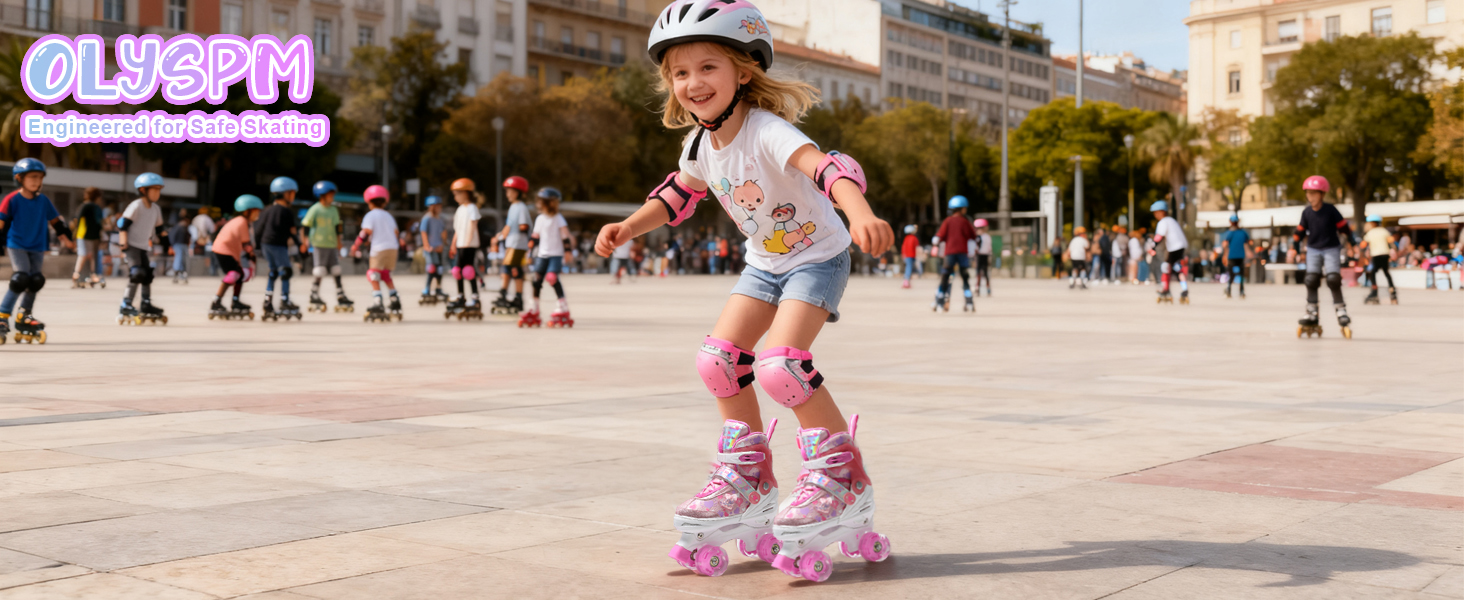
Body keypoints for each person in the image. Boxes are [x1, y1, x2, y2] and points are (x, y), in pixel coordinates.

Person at [596, 3, 895, 580]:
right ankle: (747, 477)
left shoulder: (767, 130)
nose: (692, 83)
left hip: (817, 257)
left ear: (744, 72)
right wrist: (629, 227)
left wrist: (860, 211)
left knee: (783, 366)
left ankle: (841, 478)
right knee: (719, 361)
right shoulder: (700, 146)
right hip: (764, 265)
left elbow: (828, 168)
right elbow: (677, 195)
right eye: (679, 73)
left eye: (708, 67)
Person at [0, 158, 75, 343]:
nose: (36, 181)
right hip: (17, 244)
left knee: (35, 280)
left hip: (38, 245)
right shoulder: (12, 199)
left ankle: (24, 315)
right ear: (20, 178)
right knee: (21, 279)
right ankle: (2, 316)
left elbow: (56, 222)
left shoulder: (43, 200)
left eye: (39, 177)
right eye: (32, 177)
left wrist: (66, 238)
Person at [1287, 175, 1353, 337]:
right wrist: (1294, 248)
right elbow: (1299, 232)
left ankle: (1341, 310)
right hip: (1313, 249)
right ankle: (1312, 313)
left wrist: (1353, 244)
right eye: (1308, 193)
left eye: (1314, 193)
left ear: (1322, 194)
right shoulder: (1307, 212)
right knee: (1311, 279)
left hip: (1331, 248)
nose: (1310, 197)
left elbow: (1345, 229)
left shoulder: (1331, 210)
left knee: (1333, 279)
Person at [117, 172, 172, 324]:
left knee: (147, 274)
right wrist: (123, 243)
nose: (157, 193)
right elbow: (123, 225)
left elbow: (161, 230)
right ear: (143, 190)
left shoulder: (156, 209)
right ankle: (126, 304)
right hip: (131, 245)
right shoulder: (136, 206)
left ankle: (145, 303)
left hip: (143, 246)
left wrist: (168, 245)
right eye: (154, 189)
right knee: (137, 273)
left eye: (159, 190)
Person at [521, 187, 575, 327]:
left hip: (556, 255)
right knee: (536, 279)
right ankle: (535, 307)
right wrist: (529, 251)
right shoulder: (539, 218)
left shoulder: (558, 218)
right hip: (542, 254)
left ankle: (563, 307)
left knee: (552, 277)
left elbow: (565, 236)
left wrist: (568, 252)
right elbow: (535, 237)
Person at [253, 177, 305, 321]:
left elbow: (258, 229)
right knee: (286, 271)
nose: (293, 196)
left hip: (265, 244)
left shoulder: (266, 210)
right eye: (292, 193)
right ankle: (285, 300)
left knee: (273, 272)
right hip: (278, 245)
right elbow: (292, 232)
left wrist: (256, 247)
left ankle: (268, 301)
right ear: (285, 194)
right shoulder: (286, 212)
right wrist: (300, 245)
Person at [351, 185, 403, 322]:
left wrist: (356, 245)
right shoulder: (388, 216)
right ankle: (394, 299)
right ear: (385, 201)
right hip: (393, 248)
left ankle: (378, 301)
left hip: (379, 248)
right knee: (386, 274)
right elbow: (396, 233)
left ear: (369, 202)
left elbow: (365, 232)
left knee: (373, 274)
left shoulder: (370, 215)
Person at [302, 181, 353, 313]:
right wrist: (305, 241)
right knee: (320, 270)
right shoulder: (315, 208)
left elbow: (338, 227)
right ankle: (314, 294)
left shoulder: (333, 210)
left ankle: (340, 295)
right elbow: (306, 225)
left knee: (336, 269)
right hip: (319, 244)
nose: (333, 197)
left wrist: (339, 242)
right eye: (330, 194)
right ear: (322, 195)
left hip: (331, 244)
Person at [209, 196, 263, 320]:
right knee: (234, 274)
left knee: (238, 274)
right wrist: (252, 257)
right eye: (256, 211)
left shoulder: (239, 220)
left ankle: (235, 301)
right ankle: (216, 302)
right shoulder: (242, 221)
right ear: (247, 211)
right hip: (224, 250)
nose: (258, 214)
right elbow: (246, 244)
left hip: (229, 251)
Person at [492, 177, 531, 314]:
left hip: (518, 244)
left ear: (518, 192)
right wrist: (500, 236)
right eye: (507, 191)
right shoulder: (514, 207)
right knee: (510, 269)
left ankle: (515, 297)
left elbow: (523, 226)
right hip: (512, 243)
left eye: (511, 191)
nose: (508, 193)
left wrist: (501, 236)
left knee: (512, 269)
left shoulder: (520, 207)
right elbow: (508, 226)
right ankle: (509, 295)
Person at [933, 196, 977, 312]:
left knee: (945, 277)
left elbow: (939, 236)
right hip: (962, 254)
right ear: (962, 209)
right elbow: (973, 236)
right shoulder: (965, 221)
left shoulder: (947, 221)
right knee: (965, 278)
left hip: (950, 254)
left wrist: (936, 243)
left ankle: (939, 301)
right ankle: (969, 302)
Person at [446, 186, 484, 317]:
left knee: (468, 271)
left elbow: (473, 224)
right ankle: (461, 296)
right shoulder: (460, 209)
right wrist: (453, 244)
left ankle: (475, 298)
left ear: (466, 193)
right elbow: (457, 229)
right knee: (457, 271)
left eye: (457, 194)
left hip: (470, 244)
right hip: (460, 244)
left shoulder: (472, 207)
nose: (455, 197)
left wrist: (468, 241)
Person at [1149, 200, 1189, 304]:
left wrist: (1152, 247)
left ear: (1162, 212)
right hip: (1181, 247)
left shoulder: (1163, 222)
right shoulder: (1172, 220)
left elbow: (1159, 236)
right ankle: (1184, 290)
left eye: (1156, 212)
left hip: (1174, 248)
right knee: (1177, 268)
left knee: (1165, 267)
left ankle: (1165, 290)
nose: (1155, 215)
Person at [72, 187, 105, 288]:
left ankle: (77, 275)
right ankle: (92, 275)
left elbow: (76, 219)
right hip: (94, 235)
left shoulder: (85, 206)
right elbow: (100, 222)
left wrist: (74, 233)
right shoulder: (97, 207)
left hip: (83, 234)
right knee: (92, 257)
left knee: (83, 255)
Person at [1358, 216, 1396, 304]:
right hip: (1385, 254)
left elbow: (1363, 245)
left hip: (1376, 255)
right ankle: (1392, 289)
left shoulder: (1370, 233)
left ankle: (1374, 291)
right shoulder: (1384, 231)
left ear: (1371, 223)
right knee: (1386, 272)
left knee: (1373, 273)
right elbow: (1391, 241)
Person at [419, 195, 449, 304]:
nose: (439, 208)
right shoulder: (426, 218)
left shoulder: (440, 219)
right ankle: (427, 288)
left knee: (439, 269)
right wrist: (426, 246)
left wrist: (444, 243)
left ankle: (438, 288)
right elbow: (423, 232)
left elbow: (443, 232)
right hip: (430, 248)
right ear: (432, 206)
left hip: (438, 248)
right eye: (437, 206)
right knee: (431, 269)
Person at [1220, 215, 1252, 299]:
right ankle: (1241, 291)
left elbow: (1225, 245)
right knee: (1241, 274)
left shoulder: (1230, 233)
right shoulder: (1243, 233)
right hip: (1240, 256)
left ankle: (1229, 290)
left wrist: (1225, 255)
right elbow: (1246, 244)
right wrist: (1248, 253)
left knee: (1232, 274)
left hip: (1232, 256)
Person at [191, 207, 216, 276]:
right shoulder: (207, 218)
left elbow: (192, 229)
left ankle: (195, 271)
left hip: (196, 240)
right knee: (208, 256)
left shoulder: (196, 218)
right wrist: (204, 236)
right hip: (205, 240)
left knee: (195, 256)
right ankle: (210, 272)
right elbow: (212, 229)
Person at [168, 209, 192, 283]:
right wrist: (173, 244)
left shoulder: (184, 227)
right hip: (178, 245)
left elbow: (189, 236)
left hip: (183, 245)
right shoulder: (179, 227)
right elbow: (172, 236)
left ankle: (180, 273)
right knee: (179, 259)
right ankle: (177, 272)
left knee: (183, 260)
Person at [973, 218, 993, 296]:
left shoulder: (977, 237)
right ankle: (987, 289)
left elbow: (975, 248)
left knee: (978, 272)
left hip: (979, 256)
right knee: (985, 273)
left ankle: (977, 288)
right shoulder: (987, 237)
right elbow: (989, 248)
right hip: (985, 256)